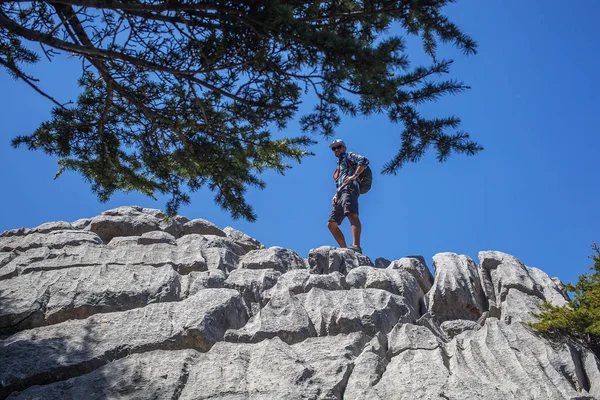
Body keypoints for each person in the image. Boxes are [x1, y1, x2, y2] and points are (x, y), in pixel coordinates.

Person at [327, 139, 369, 254]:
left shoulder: (348, 156)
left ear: (344, 148)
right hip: (341, 193)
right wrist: (336, 195)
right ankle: (345, 250)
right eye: (334, 148)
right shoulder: (339, 164)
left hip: (350, 188)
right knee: (332, 224)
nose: (336, 150)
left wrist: (354, 176)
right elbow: (341, 180)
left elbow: (364, 160)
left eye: (339, 147)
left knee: (352, 214)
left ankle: (356, 247)